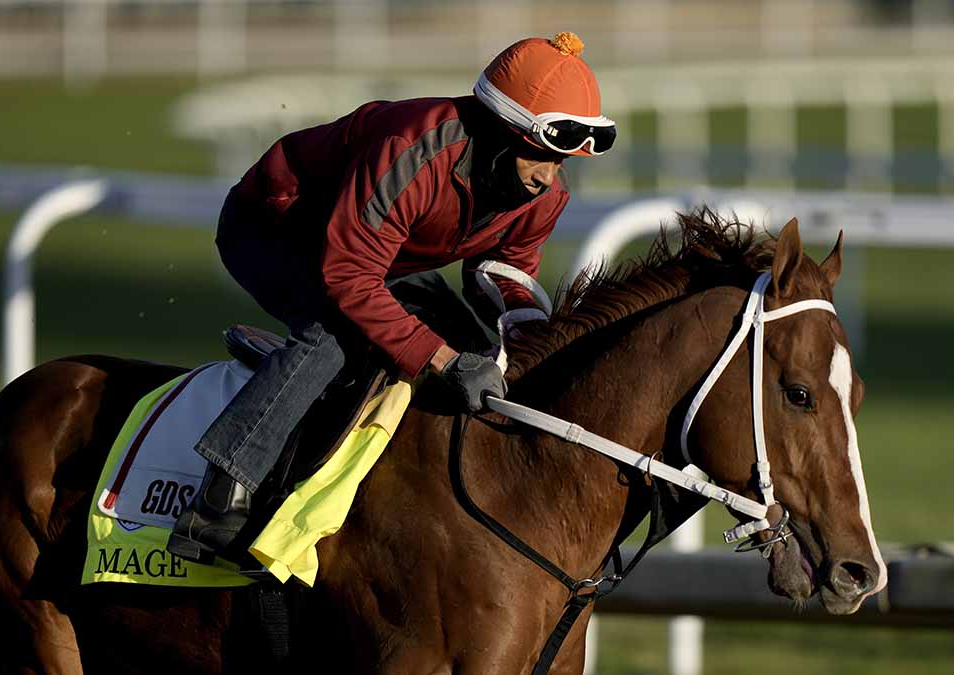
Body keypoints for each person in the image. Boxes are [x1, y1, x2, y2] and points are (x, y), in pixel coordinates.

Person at [167, 31, 617, 563]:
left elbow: (504, 270)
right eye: (535, 155)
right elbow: (349, 278)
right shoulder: (414, 149)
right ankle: (221, 498)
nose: (547, 176)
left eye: (560, 161)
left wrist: (529, 333)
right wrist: (444, 361)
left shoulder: (545, 195)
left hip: (382, 259)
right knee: (336, 337)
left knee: (475, 346)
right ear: (499, 131)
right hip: (277, 231)